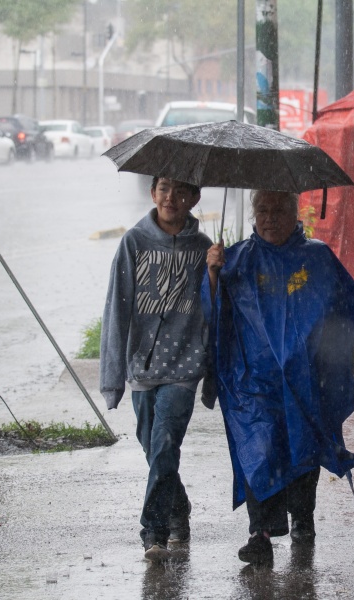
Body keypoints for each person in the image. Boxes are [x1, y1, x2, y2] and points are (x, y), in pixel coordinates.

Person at [204, 190, 354, 565]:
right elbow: (213, 314)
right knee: (259, 449)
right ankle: (260, 532)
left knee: (302, 449)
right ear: (253, 214)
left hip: (307, 380)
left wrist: (333, 359)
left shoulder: (317, 258)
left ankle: (302, 519)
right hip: (253, 383)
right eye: (263, 210)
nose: (270, 217)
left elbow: (345, 310)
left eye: (279, 209)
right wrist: (212, 273)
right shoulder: (237, 259)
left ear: (295, 213)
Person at [100, 176, 211, 562]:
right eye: (164, 188)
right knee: (153, 449)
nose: (171, 197)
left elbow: (217, 313)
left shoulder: (203, 249)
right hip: (142, 368)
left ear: (195, 198)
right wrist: (112, 379)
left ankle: (155, 532)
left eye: (182, 191)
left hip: (184, 366)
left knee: (165, 445)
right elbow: (116, 310)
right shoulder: (134, 242)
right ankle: (179, 507)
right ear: (153, 193)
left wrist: (216, 272)